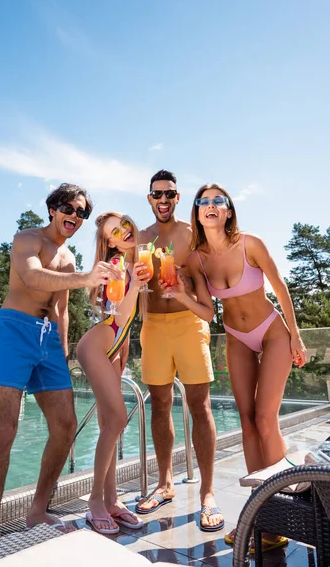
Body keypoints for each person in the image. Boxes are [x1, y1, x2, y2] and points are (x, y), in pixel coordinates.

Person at [0, 183, 120, 543]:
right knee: (3, 430)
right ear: (53, 208)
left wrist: (61, 351)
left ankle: (38, 509)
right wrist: (87, 277)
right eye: (70, 209)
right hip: (13, 331)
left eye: (82, 213)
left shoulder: (69, 258)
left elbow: (60, 310)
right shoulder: (27, 238)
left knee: (65, 426)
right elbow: (31, 276)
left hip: (48, 341)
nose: (75, 216)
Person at [186, 182, 306, 550]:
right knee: (247, 421)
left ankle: (287, 508)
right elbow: (207, 311)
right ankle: (263, 516)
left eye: (217, 201)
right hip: (236, 338)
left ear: (228, 211)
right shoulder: (197, 259)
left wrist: (296, 335)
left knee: (266, 419)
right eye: (203, 201)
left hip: (272, 333)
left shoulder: (249, 244)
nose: (210, 205)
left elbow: (281, 287)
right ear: (198, 212)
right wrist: (178, 294)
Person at [135, 170, 224, 533]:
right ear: (149, 198)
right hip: (154, 325)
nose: (164, 200)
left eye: (170, 194)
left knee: (199, 406)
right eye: (157, 194)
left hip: (189, 323)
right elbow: (129, 286)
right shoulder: (140, 239)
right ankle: (165, 482)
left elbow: (207, 285)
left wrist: (187, 281)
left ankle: (207, 493)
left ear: (177, 196)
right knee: (158, 404)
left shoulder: (191, 234)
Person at [76, 212, 149, 534]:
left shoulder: (135, 264)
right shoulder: (117, 266)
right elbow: (117, 311)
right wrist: (138, 284)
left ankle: (112, 499)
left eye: (125, 225)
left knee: (109, 424)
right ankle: (95, 502)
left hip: (114, 347)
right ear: (110, 242)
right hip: (95, 346)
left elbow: (127, 322)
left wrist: (122, 353)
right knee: (118, 420)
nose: (125, 232)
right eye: (115, 232)